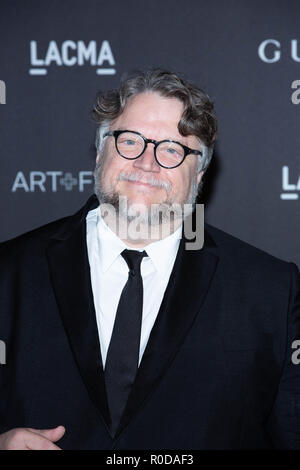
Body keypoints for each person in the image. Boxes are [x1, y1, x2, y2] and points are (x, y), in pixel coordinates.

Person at [0, 69, 299, 450]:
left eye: (172, 149)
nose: (147, 163)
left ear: (201, 174)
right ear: (98, 153)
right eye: (130, 141)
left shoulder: (269, 292)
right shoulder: (9, 273)